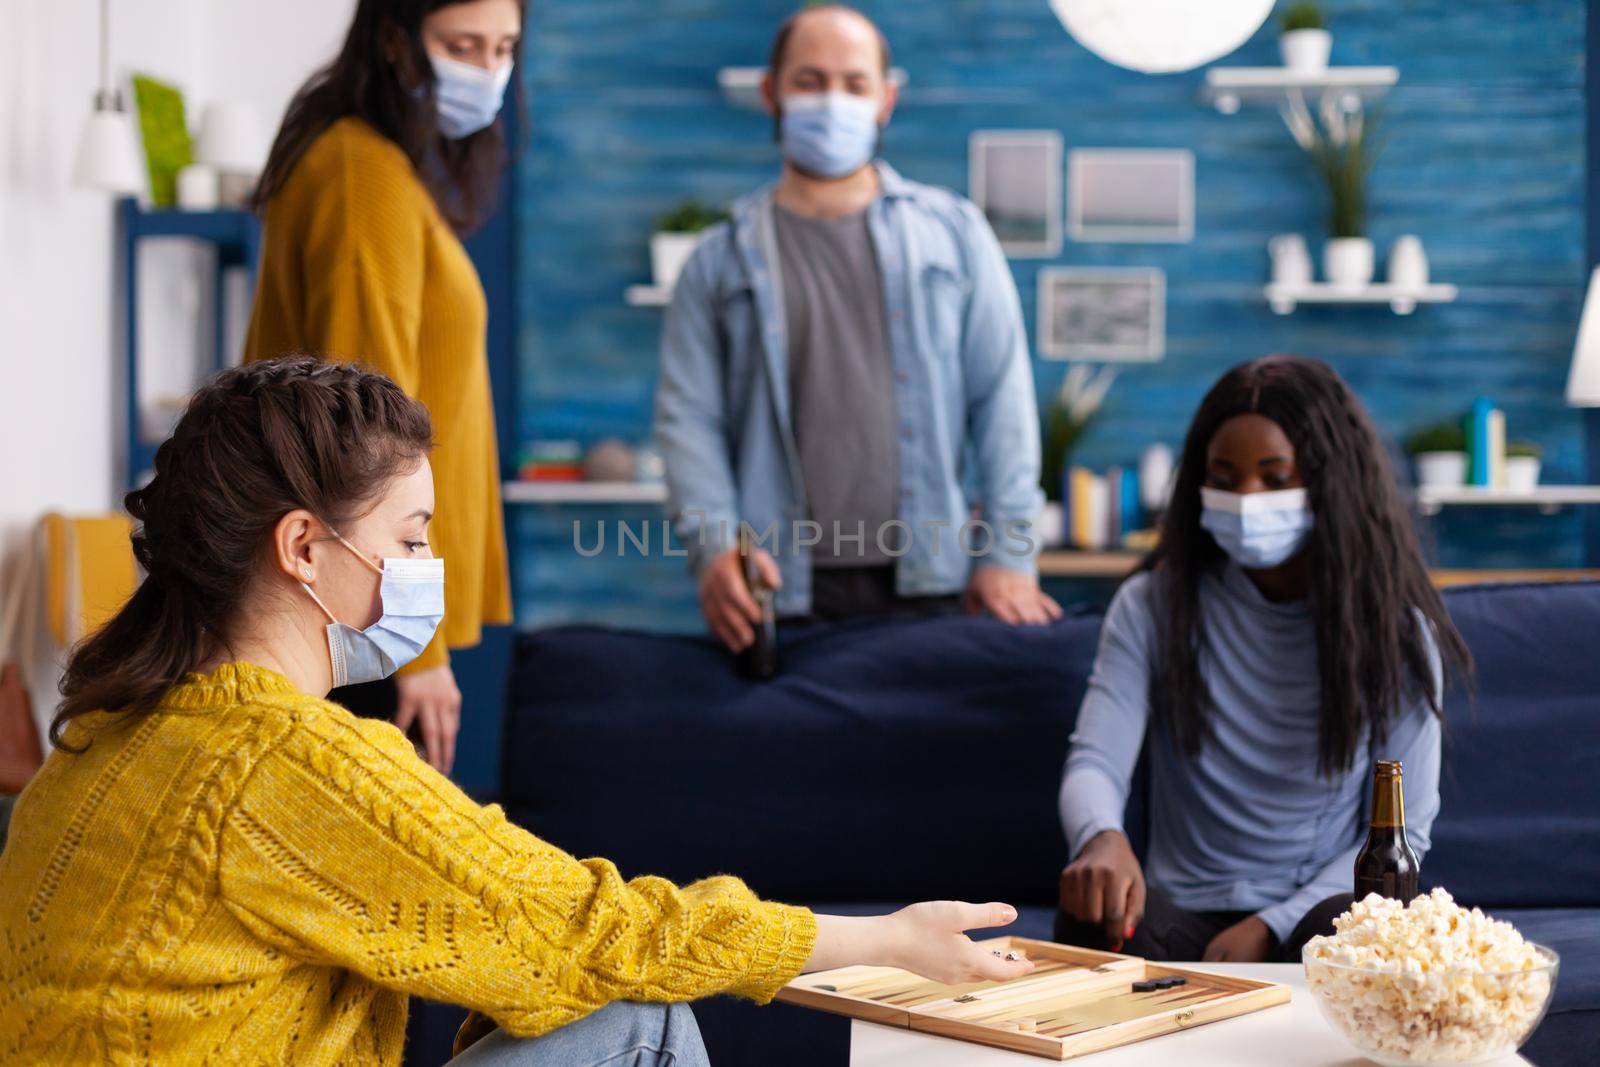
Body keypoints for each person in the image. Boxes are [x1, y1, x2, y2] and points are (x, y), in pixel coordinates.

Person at [0, 359, 1034, 1066]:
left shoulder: (99, 739)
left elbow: (513, 929)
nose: (423, 569)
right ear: (304, 548)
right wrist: (883, 938)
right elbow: (597, 929)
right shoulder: (282, 757)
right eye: (409, 540)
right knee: (639, 1006)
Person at [654, 5, 1058, 655]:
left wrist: (1010, 552)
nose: (832, 101)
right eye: (810, 81)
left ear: (886, 100)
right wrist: (714, 548)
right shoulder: (716, 260)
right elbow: (688, 421)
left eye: (854, 83)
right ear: (771, 93)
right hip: (777, 589)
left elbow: (1002, 399)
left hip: (935, 581)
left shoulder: (955, 235)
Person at [1054, 356, 1472, 963]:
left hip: (1317, 920)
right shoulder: (1151, 606)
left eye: (1274, 479)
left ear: (1331, 484)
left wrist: (1269, 926)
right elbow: (1095, 760)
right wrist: (1100, 838)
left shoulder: (1398, 633)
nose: (1244, 499)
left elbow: (1402, 834)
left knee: (1363, 925)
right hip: (1174, 919)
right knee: (1086, 908)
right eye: (1223, 478)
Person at [243, 0, 522, 774]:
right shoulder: (362, 173)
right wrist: (414, 646)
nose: (489, 69)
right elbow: (363, 430)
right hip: (367, 620)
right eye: (463, 44)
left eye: (504, 47)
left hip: (364, 611)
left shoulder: (371, 165)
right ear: (396, 41)